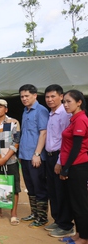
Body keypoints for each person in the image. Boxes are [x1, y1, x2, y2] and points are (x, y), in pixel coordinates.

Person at [43, 85, 74, 238]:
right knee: (53, 190)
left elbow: (67, 141)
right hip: (49, 156)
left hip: (59, 157)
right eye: (47, 97)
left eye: (53, 96)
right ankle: (57, 219)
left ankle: (66, 225)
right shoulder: (51, 113)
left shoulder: (65, 114)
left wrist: (60, 161)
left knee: (61, 191)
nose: (50, 99)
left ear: (61, 97)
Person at [59, 90, 88, 244]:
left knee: (80, 203)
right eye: (64, 102)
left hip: (78, 166)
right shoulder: (74, 119)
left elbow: (76, 148)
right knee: (74, 202)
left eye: (69, 101)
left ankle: (84, 238)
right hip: (73, 166)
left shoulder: (80, 119)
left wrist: (66, 168)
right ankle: (79, 233)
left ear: (79, 102)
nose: (65, 104)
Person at [18, 84, 49, 228]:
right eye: (22, 96)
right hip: (24, 156)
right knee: (30, 187)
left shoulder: (41, 111)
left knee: (39, 187)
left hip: (35, 157)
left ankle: (42, 218)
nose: (24, 99)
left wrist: (37, 154)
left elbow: (43, 133)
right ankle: (34, 213)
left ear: (35, 95)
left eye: (27, 96)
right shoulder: (25, 111)